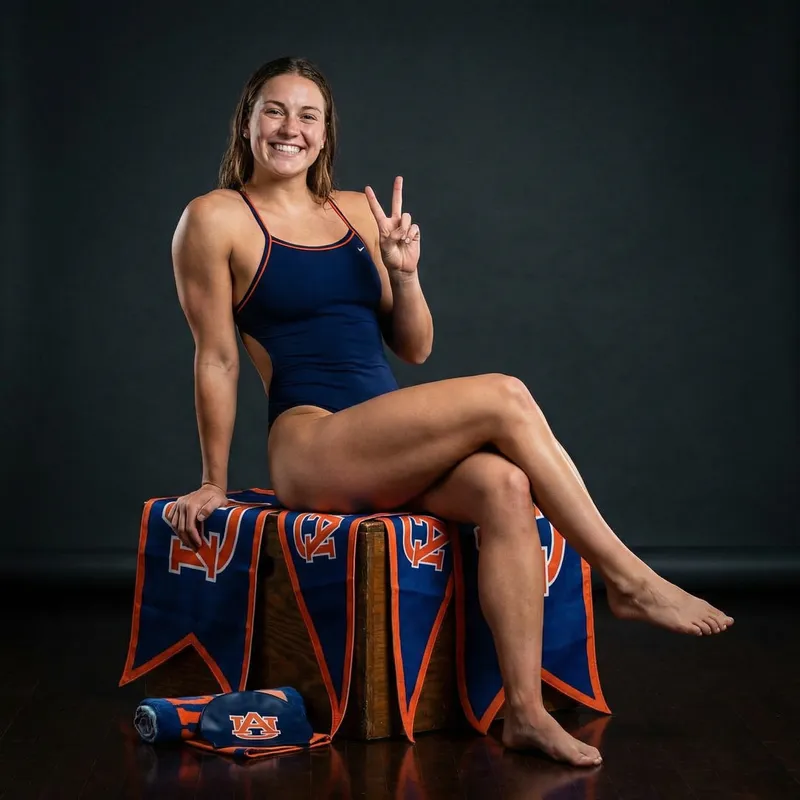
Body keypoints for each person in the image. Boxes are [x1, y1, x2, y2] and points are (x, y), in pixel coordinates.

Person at [167, 56, 734, 768]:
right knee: (505, 395)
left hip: (383, 431)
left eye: (307, 115)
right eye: (274, 111)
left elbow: (415, 348)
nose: (291, 128)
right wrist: (213, 481)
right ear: (247, 123)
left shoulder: (355, 211)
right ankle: (624, 577)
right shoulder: (215, 218)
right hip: (311, 444)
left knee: (505, 488)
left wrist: (404, 275)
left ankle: (524, 714)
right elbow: (216, 357)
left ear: (326, 131)